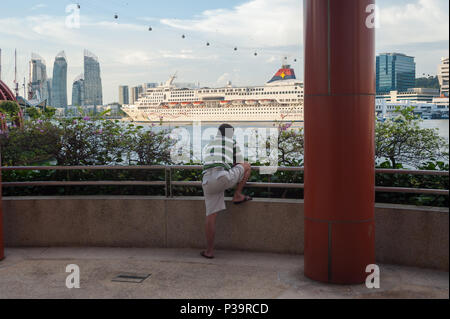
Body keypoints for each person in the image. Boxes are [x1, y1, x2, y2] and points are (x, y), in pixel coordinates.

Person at [200, 124, 252, 259]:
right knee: (247, 166)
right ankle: (238, 195)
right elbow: (240, 163)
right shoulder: (231, 142)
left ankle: (209, 251)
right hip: (222, 177)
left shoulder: (210, 145)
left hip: (207, 181)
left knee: (210, 217)